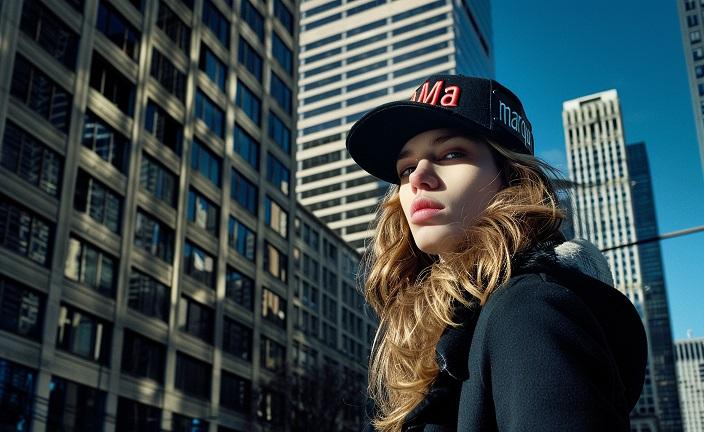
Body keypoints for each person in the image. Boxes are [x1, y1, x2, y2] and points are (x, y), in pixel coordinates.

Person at [345, 75, 647, 432]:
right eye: (406, 167)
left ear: (513, 177)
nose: (418, 177)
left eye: (451, 153)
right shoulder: (458, 326)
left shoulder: (530, 307)